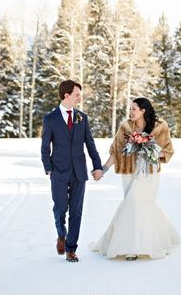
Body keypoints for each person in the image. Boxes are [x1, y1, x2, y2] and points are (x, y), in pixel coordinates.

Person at [91, 97, 181, 260]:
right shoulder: (125, 126)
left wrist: (148, 149)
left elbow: (168, 151)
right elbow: (116, 151)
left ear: (143, 111)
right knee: (133, 206)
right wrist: (103, 169)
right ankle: (140, 241)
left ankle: (132, 248)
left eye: (134, 109)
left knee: (136, 203)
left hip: (149, 172)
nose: (131, 112)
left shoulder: (161, 126)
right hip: (129, 172)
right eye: (130, 109)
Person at [41, 80, 103, 262]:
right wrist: (48, 169)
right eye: (77, 94)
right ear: (67, 95)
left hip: (79, 172)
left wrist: (97, 166)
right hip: (58, 172)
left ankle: (71, 248)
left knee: (76, 211)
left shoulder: (82, 117)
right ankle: (61, 234)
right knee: (60, 209)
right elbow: (45, 147)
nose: (79, 98)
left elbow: (90, 144)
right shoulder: (50, 119)